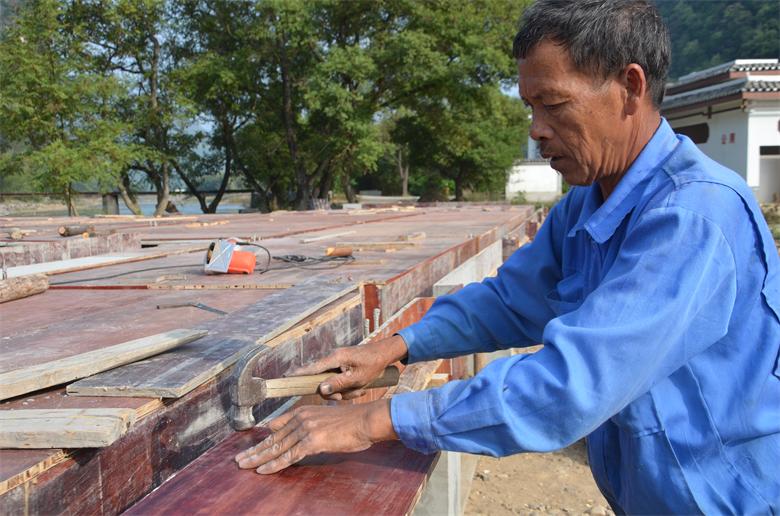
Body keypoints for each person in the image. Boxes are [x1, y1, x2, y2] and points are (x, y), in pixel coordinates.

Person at [235, 1, 780, 512]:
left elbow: (572, 385)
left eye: (554, 104)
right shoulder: (587, 206)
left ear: (629, 87)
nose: (537, 131)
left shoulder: (695, 217)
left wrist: (374, 420)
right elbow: (510, 301)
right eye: (530, 107)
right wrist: (395, 347)